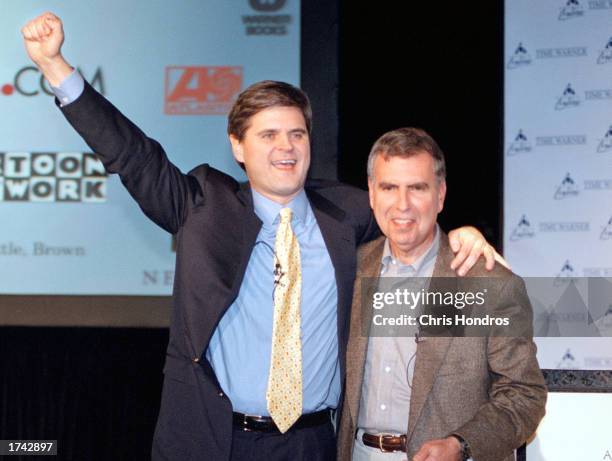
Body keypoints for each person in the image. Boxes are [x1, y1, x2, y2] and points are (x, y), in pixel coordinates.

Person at [22, 13, 501, 461]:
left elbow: (411, 220)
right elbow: (132, 154)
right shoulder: (201, 205)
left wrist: (461, 231)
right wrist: (54, 65)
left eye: (296, 134)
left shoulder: (349, 212)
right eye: (268, 135)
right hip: (216, 440)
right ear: (238, 146)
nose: (286, 147)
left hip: (314, 441)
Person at [337, 127, 547, 461]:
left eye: (417, 188)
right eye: (389, 187)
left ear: (441, 194)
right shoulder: (349, 268)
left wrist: (461, 445)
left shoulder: (487, 283)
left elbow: (524, 394)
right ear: (372, 195)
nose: (402, 204)